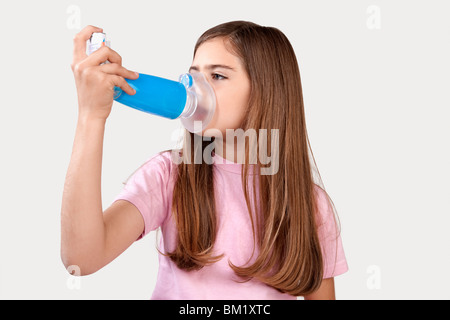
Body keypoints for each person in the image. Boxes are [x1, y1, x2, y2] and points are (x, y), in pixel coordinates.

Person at [61, 21, 348, 300]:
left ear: (266, 91)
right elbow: (82, 259)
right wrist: (91, 118)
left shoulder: (309, 204)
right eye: (194, 75)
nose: (195, 89)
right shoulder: (168, 176)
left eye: (218, 76)